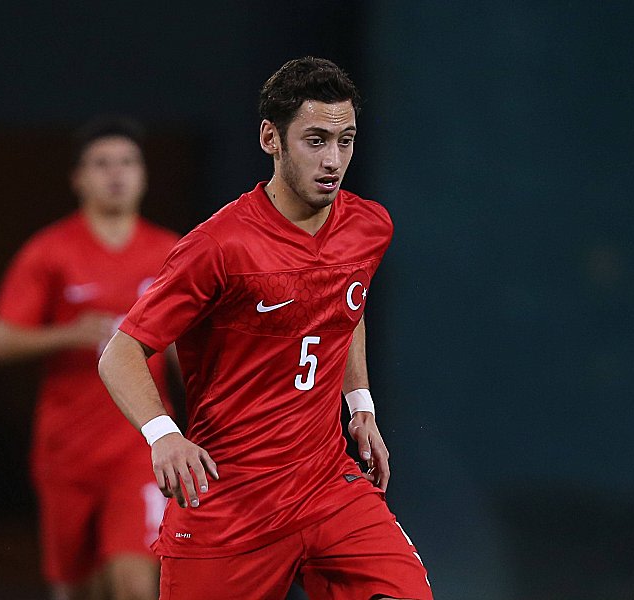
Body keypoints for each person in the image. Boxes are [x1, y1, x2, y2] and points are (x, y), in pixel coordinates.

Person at [99, 57, 433, 600]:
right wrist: (164, 436)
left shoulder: (369, 226)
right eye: (316, 140)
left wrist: (361, 405)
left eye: (346, 141)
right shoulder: (219, 247)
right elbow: (119, 353)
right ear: (270, 139)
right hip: (233, 500)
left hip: (327, 485)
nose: (333, 160)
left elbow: (347, 306)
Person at [0, 116, 180, 600]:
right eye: (102, 163)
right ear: (78, 178)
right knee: (77, 587)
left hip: (141, 445)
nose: (116, 174)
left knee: (134, 582)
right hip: (66, 449)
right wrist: (69, 333)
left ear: (144, 174)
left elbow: (190, 352)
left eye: (128, 162)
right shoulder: (50, 251)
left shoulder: (171, 251)